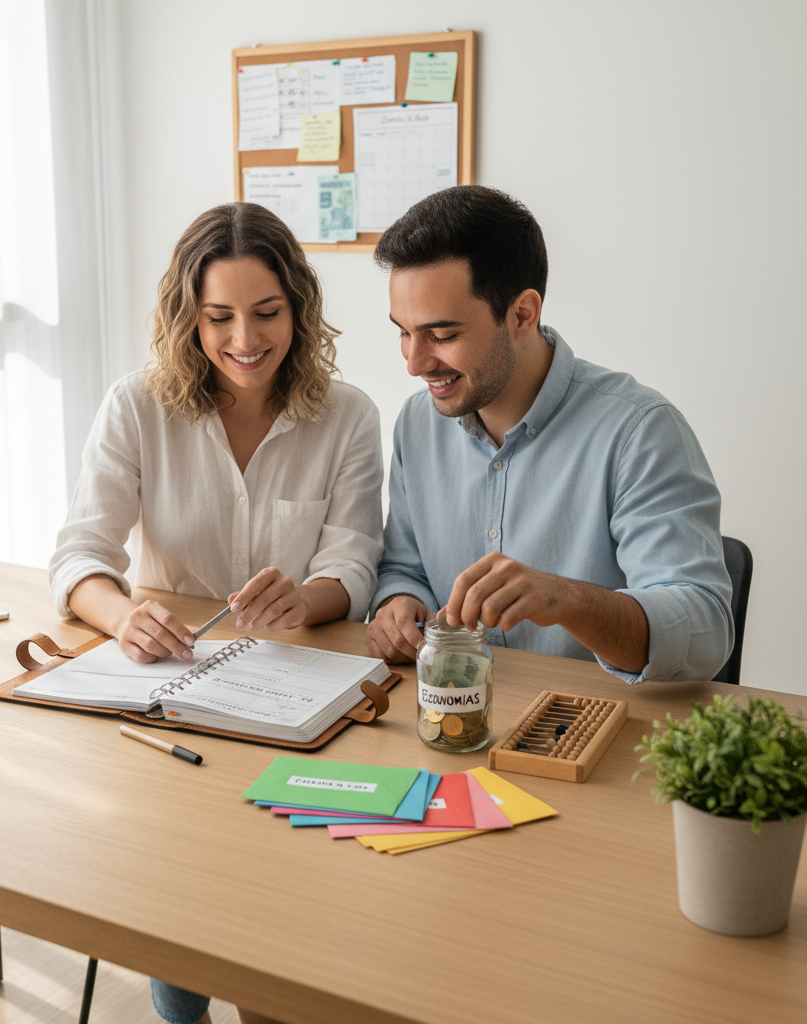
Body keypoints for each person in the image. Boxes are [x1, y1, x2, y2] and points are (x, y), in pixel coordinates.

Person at [50, 202, 383, 1024]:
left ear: (298, 310)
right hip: (175, 710)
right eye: (219, 317)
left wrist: (309, 598)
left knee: (280, 947)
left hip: (295, 705)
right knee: (185, 938)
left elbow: (354, 564)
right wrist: (121, 615)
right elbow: (78, 555)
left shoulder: (348, 416)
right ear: (187, 318)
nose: (245, 339)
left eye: (267, 313)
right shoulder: (138, 406)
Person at [364, 185, 733, 683]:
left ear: (522, 314)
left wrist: (565, 599)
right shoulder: (417, 422)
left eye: (443, 335)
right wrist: (399, 602)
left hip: (595, 735)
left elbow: (706, 632)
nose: (414, 363)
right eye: (403, 332)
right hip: (452, 719)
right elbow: (405, 569)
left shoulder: (638, 431)